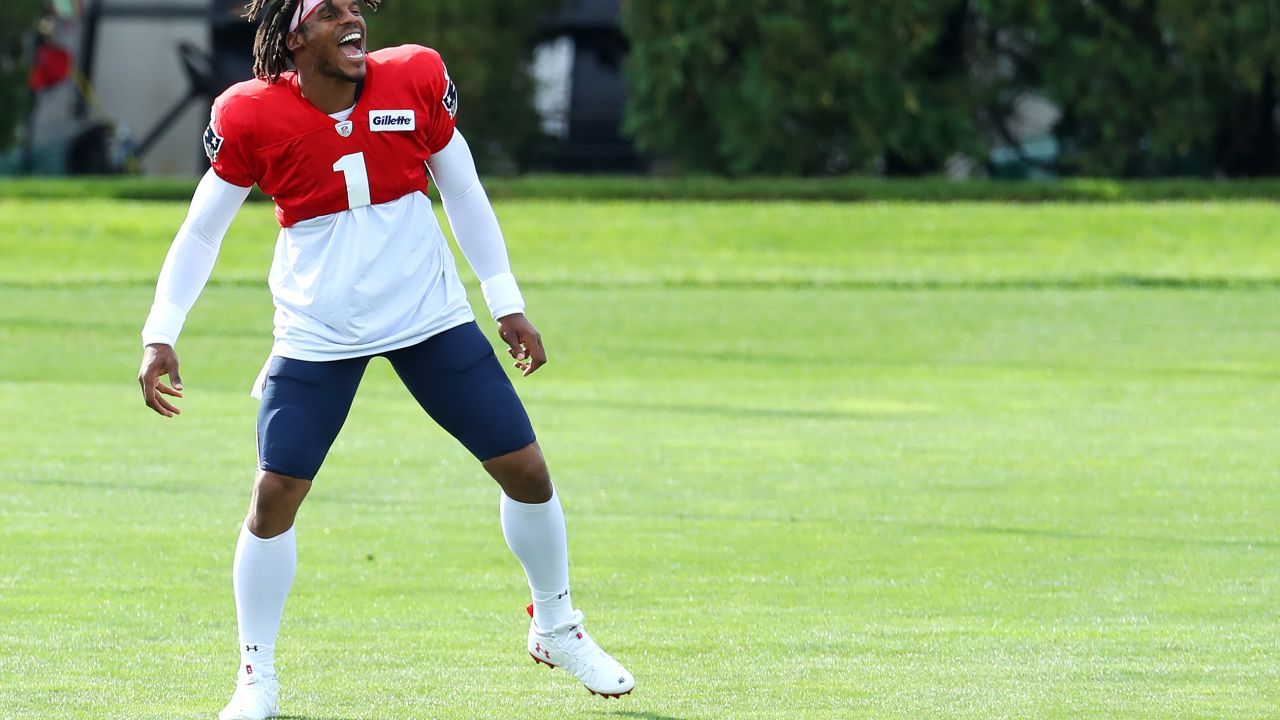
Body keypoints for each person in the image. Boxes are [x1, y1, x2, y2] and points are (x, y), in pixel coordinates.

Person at [135, 1, 634, 718]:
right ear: (294, 37)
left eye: (353, 7)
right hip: (319, 330)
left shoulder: (415, 79)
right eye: (328, 12)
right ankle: (256, 676)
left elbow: (461, 188)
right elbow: (200, 231)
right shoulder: (253, 114)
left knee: (526, 468)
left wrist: (505, 301)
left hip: (425, 313)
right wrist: (161, 332)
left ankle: (555, 625)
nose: (351, 20)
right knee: (274, 497)